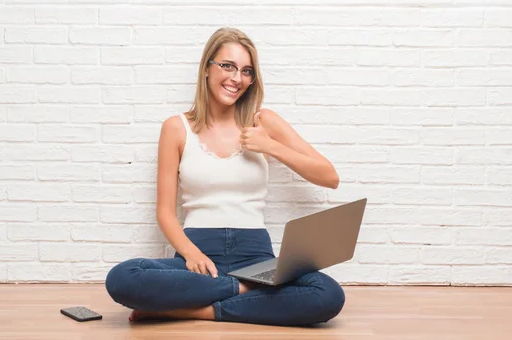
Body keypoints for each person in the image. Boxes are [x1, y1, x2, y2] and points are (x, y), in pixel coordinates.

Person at [105, 27, 345, 326]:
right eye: (227, 66)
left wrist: (270, 146)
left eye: (246, 71)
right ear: (207, 68)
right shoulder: (176, 127)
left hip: (256, 256)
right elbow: (165, 212)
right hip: (199, 259)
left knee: (328, 294)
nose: (237, 78)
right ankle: (246, 292)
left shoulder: (263, 122)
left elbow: (329, 177)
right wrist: (191, 255)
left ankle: (193, 310)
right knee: (122, 278)